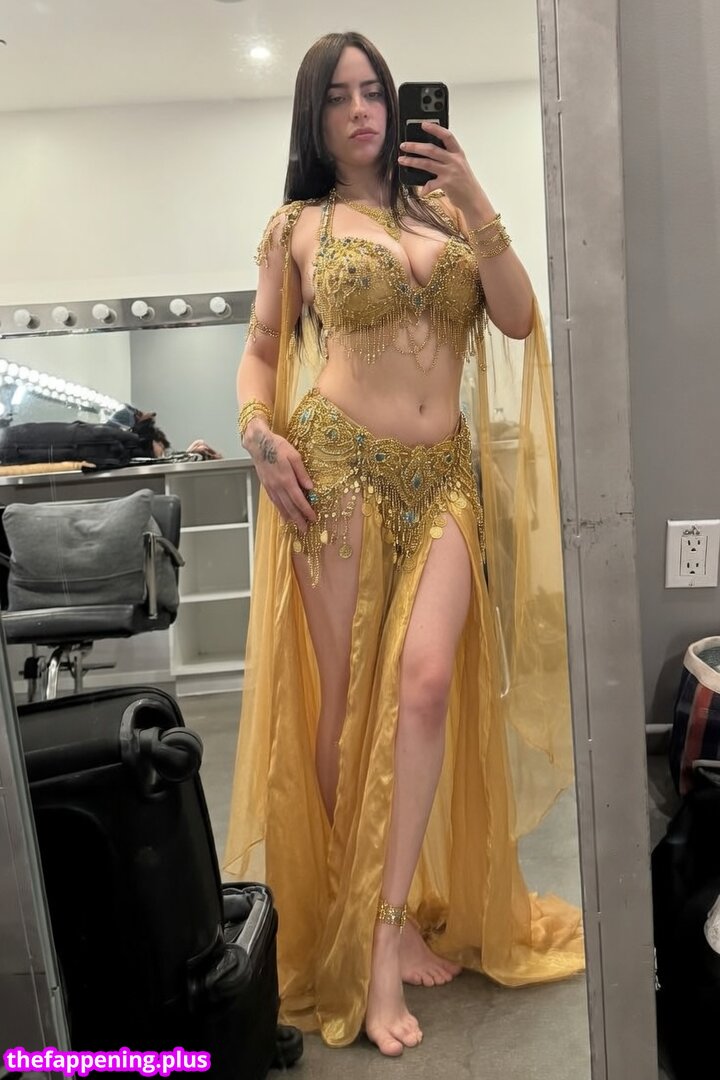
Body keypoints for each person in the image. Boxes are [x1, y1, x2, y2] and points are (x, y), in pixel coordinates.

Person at [224, 30, 585, 1057]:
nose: (361, 111)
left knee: (425, 686)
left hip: (445, 482)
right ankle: (367, 937)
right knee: (346, 709)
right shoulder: (298, 226)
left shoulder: (448, 212)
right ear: (315, 118)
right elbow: (262, 351)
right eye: (338, 97)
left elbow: (517, 318)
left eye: (373, 91)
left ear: (396, 103)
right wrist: (258, 436)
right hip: (336, 475)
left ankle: (387, 927)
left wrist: (472, 194)